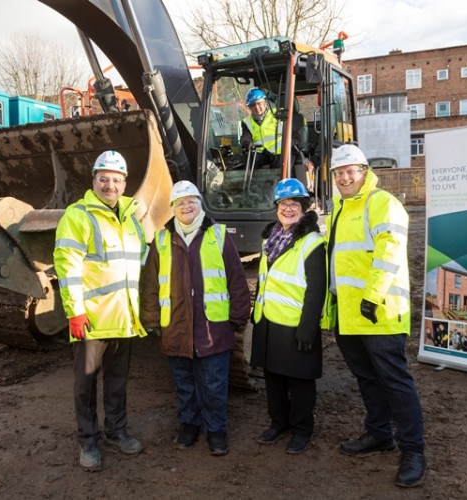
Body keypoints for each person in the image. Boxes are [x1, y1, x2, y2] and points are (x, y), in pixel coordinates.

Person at [322, 144, 426, 487]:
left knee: (395, 381)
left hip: (379, 313)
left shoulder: (381, 203)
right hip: (349, 315)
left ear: (365, 172)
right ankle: (379, 433)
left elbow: (389, 251)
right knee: (366, 378)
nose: (344, 177)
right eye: (339, 173)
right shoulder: (339, 208)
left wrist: (372, 297)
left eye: (351, 171)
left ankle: (414, 451)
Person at [53, 150, 148, 472]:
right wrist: (75, 312)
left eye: (116, 180)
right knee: (86, 385)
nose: (110, 185)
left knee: (118, 383)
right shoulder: (77, 216)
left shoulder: (132, 217)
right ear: (94, 180)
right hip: (92, 319)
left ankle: (117, 432)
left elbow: (141, 261)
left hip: (124, 317)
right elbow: (67, 268)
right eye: (104, 179)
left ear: (124, 183)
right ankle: (88, 441)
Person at [141, 181, 251, 456]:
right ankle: (188, 425)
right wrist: (153, 319)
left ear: (200, 203)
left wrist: (239, 315)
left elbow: (237, 280)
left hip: (212, 327)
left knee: (214, 384)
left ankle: (216, 429)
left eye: (191, 201)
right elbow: (150, 284)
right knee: (184, 384)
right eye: (180, 202)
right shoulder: (163, 240)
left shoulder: (218, 235)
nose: (186, 206)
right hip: (175, 326)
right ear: (173, 208)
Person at [250, 178, 327, 455]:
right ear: (276, 207)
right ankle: (278, 422)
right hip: (269, 320)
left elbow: (317, 288)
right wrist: (255, 312)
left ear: (304, 207)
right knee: (273, 378)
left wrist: (308, 328)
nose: (289, 209)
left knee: (300, 381)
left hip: (296, 325)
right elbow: (264, 278)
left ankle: (301, 429)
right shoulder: (269, 238)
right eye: (284, 204)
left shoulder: (311, 242)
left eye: (295, 204)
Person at [240, 88, 280, 169]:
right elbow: (246, 136)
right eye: (253, 105)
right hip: (262, 153)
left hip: (279, 152)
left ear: (265, 103)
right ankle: (252, 182)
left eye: (259, 103)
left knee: (280, 164)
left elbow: (291, 131)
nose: (256, 107)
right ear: (249, 108)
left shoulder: (278, 114)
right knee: (250, 158)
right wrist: (246, 142)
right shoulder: (246, 121)